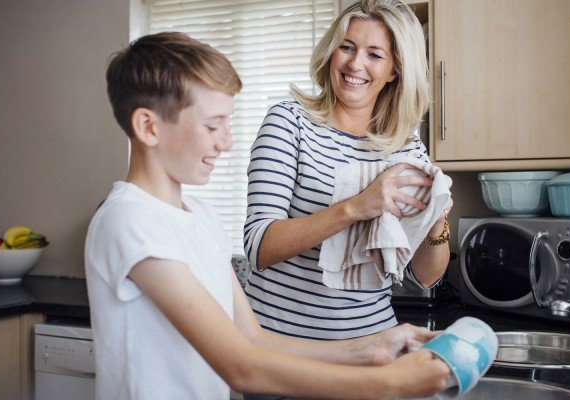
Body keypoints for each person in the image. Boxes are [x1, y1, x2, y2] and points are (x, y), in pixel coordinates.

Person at [85, 31, 451, 400]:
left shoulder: (201, 216)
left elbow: (252, 338)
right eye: (212, 125)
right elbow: (242, 367)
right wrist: (390, 384)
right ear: (149, 127)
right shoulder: (130, 221)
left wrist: (371, 349)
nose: (226, 142)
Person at [244, 0, 453, 340]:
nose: (356, 64)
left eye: (375, 54)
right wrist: (357, 207)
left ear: (395, 71)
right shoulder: (289, 123)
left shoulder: (406, 148)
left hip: (372, 347)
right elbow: (259, 247)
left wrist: (437, 222)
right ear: (331, 51)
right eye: (347, 47)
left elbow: (424, 277)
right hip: (283, 354)